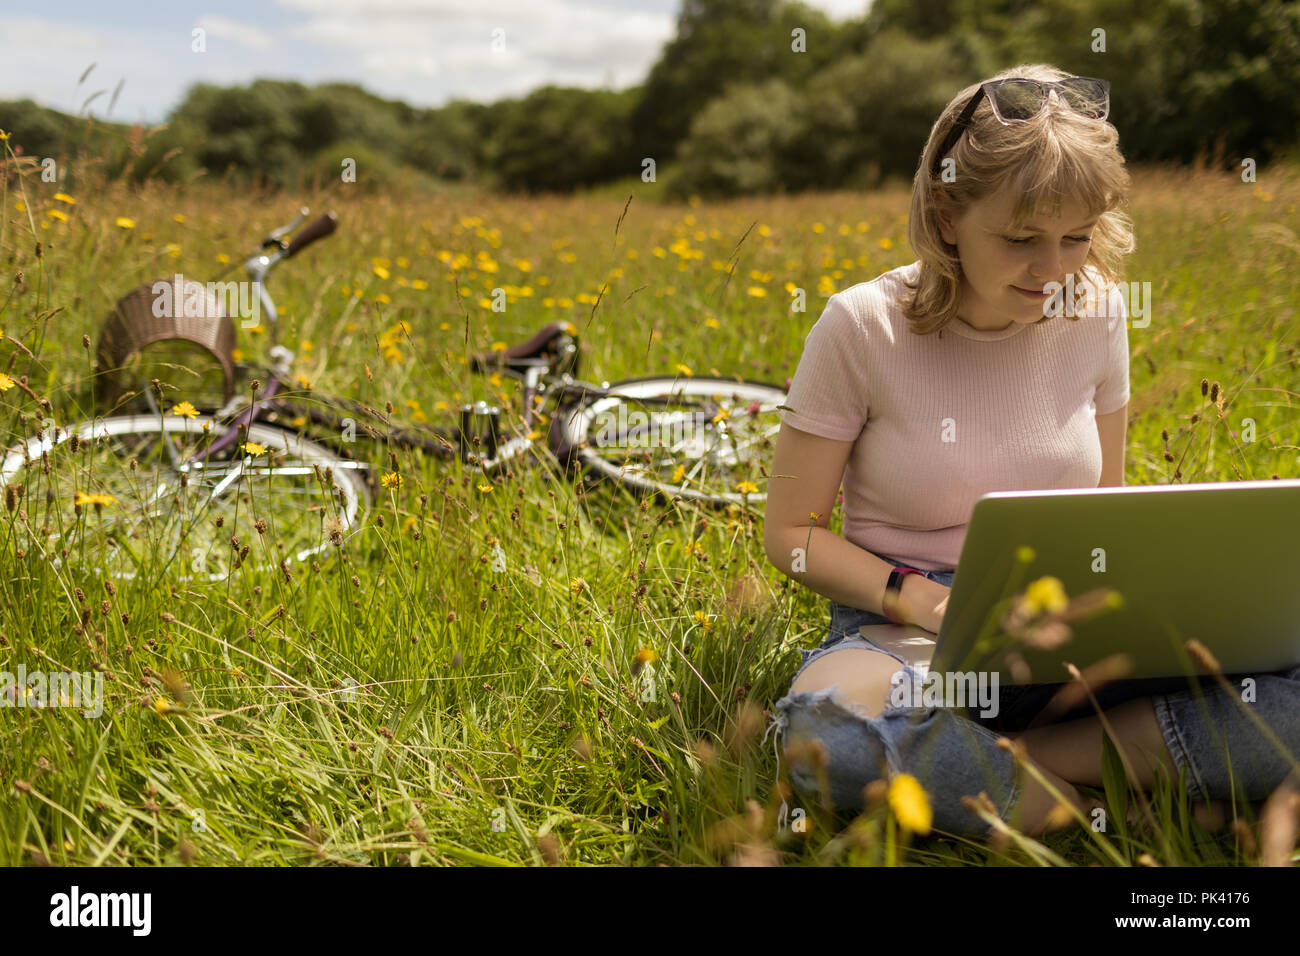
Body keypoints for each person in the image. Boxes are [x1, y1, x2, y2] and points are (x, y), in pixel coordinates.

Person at [761, 62, 1300, 839]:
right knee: (827, 742)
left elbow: (1104, 509)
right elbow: (792, 536)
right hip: (909, 637)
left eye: (1076, 237)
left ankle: (1028, 763)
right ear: (947, 215)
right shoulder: (860, 328)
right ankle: (1123, 808)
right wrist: (922, 598)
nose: (1054, 271)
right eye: (1021, 239)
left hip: (1075, 631)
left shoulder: (1099, 309)